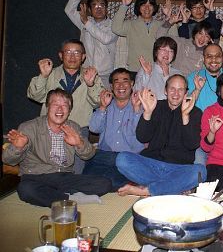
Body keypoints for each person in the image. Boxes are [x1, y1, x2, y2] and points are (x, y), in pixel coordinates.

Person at [2, 89, 112, 207]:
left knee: (104, 184)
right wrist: (18, 147)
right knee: (25, 189)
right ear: (47, 107)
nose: (60, 109)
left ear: (69, 111)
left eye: (65, 105)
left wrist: (79, 143)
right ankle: (70, 198)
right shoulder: (28, 127)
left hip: (64, 177)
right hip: (36, 177)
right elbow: (7, 160)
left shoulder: (73, 127)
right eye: (55, 104)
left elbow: (89, 155)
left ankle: (54, 197)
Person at [116, 75, 206, 196]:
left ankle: (147, 190)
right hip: (151, 164)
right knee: (122, 159)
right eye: (172, 89)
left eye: (181, 89)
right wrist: (147, 113)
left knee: (200, 172)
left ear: (186, 93)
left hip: (179, 168)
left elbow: (192, 144)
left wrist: (185, 116)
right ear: (165, 91)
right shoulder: (156, 106)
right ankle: (171, 187)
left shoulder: (195, 112)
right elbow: (142, 137)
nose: (176, 93)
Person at [27, 39, 104, 173]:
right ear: (61, 56)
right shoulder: (50, 73)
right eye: (68, 52)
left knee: (76, 172)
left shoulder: (91, 75)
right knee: (47, 169)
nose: (72, 56)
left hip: (79, 128)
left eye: (77, 52)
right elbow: (34, 96)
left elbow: (98, 102)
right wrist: (43, 76)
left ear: (83, 57)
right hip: (49, 128)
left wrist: (90, 84)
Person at [83, 68, 144, 190]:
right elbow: (94, 128)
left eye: (125, 81)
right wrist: (102, 107)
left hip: (128, 159)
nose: (121, 85)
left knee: (104, 182)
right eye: (116, 81)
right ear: (111, 86)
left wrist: (137, 110)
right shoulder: (106, 104)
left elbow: (141, 134)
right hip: (104, 157)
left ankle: (117, 183)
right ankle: (122, 183)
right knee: (86, 180)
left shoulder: (141, 106)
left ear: (132, 84)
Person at [64, 0, 117, 87]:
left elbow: (106, 39)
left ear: (107, 9)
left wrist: (86, 22)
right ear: (89, 9)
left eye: (102, 5)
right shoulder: (85, 20)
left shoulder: (113, 25)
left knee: (104, 103)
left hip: (105, 74)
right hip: (85, 71)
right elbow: (68, 10)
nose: (98, 8)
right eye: (94, 6)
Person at [111, 0, 167, 73]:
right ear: (138, 7)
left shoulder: (161, 24)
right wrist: (124, 6)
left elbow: (174, 38)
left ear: (154, 7)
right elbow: (115, 28)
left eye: (150, 5)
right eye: (143, 4)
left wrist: (169, 18)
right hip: (135, 69)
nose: (147, 8)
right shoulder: (130, 24)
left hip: (158, 70)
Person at [187, 43, 223, 111]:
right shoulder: (193, 77)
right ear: (203, 59)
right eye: (209, 56)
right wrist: (197, 90)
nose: (213, 60)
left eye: (218, 56)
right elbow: (186, 107)